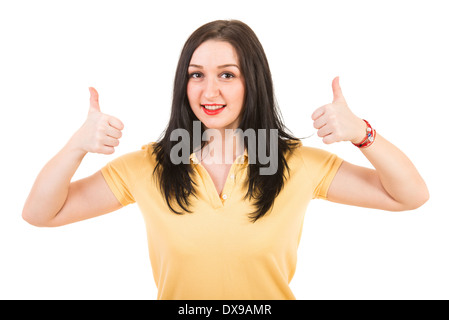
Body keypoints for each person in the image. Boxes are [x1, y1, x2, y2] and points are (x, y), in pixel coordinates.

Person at [22, 20, 429, 300]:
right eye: (196, 74)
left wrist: (362, 133)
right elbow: (41, 214)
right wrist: (76, 145)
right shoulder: (147, 166)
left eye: (227, 74)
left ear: (253, 81)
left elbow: (409, 195)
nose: (208, 90)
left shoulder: (294, 163)